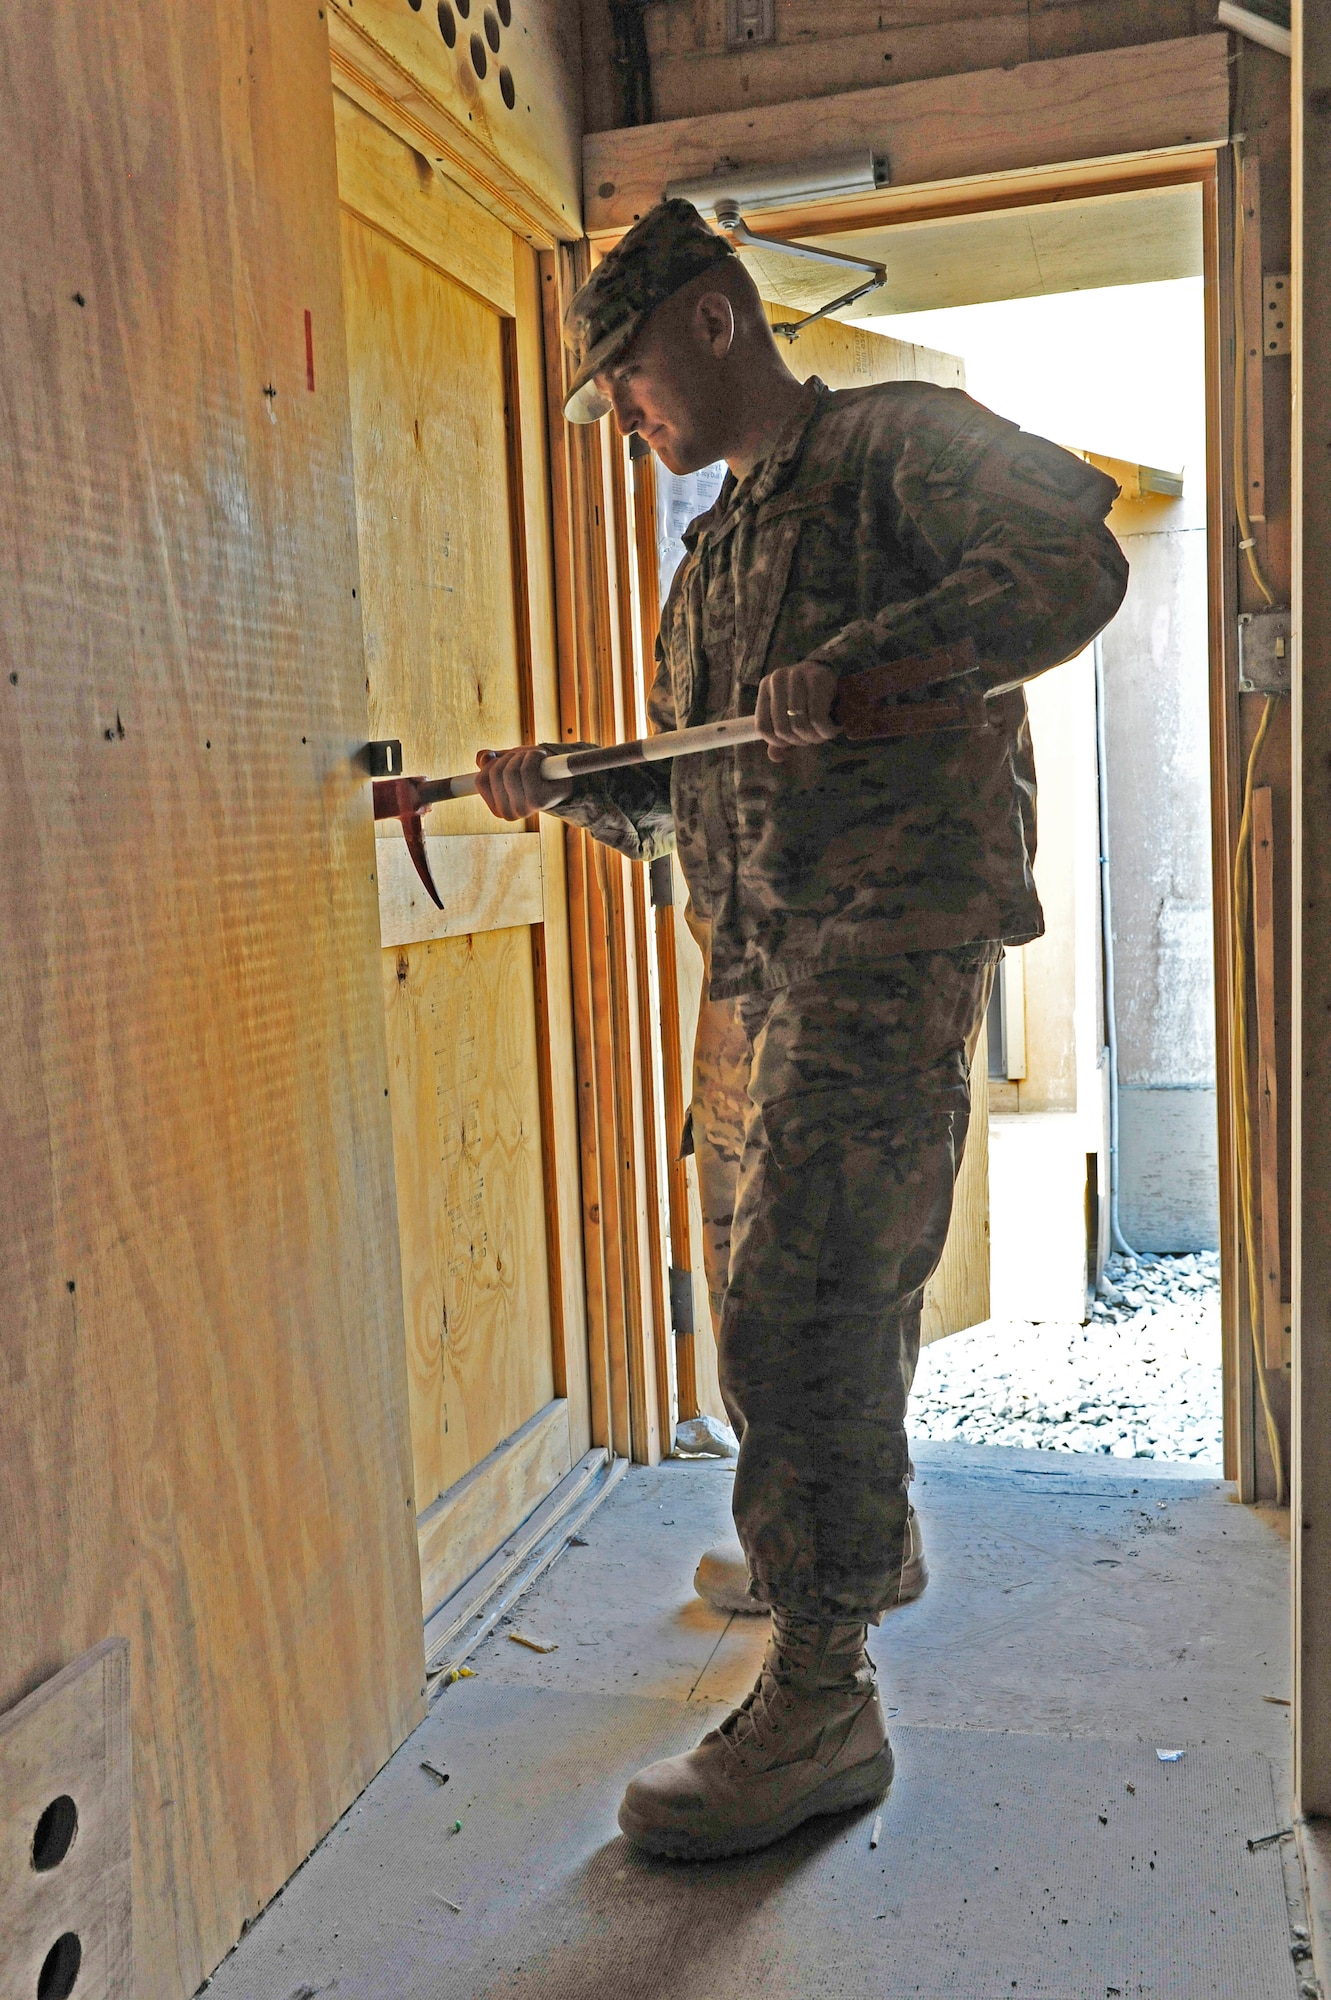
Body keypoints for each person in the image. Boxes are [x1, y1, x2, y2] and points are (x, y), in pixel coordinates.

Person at [474, 200, 1128, 1860]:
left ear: (710, 321)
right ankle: (848, 1546)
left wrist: (869, 657)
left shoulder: (896, 448)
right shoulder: (713, 558)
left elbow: (1074, 554)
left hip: (887, 940)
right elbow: (711, 779)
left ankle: (824, 1697)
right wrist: (577, 786)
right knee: (792, 1281)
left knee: (804, 1296)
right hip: (759, 957)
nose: (625, 424)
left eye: (623, 381)